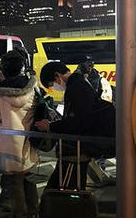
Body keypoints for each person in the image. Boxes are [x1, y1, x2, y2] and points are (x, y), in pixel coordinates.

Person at [34, 61, 115, 191]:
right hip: (78, 149)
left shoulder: (77, 87)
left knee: (65, 189)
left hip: (76, 151)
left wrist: (51, 126)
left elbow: (79, 121)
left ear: (57, 76)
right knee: (70, 188)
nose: (54, 88)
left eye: (52, 85)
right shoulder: (78, 84)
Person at [0, 51, 38, 218]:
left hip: (8, 142)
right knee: (27, 179)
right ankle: (33, 213)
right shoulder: (31, 88)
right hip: (28, 139)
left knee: (15, 183)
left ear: (4, 70)